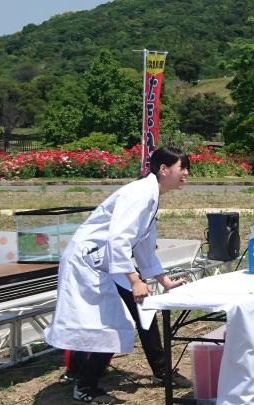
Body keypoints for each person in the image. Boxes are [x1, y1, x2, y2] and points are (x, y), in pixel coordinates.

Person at [45, 147, 193, 404]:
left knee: (142, 308)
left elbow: (144, 246)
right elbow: (118, 239)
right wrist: (135, 280)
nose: (186, 174)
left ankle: (161, 371)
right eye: (182, 168)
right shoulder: (139, 194)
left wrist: (164, 281)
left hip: (107, 263)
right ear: (163, 169)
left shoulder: (151, 196)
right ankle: (85, 386)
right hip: (88, 263)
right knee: (112, 324)